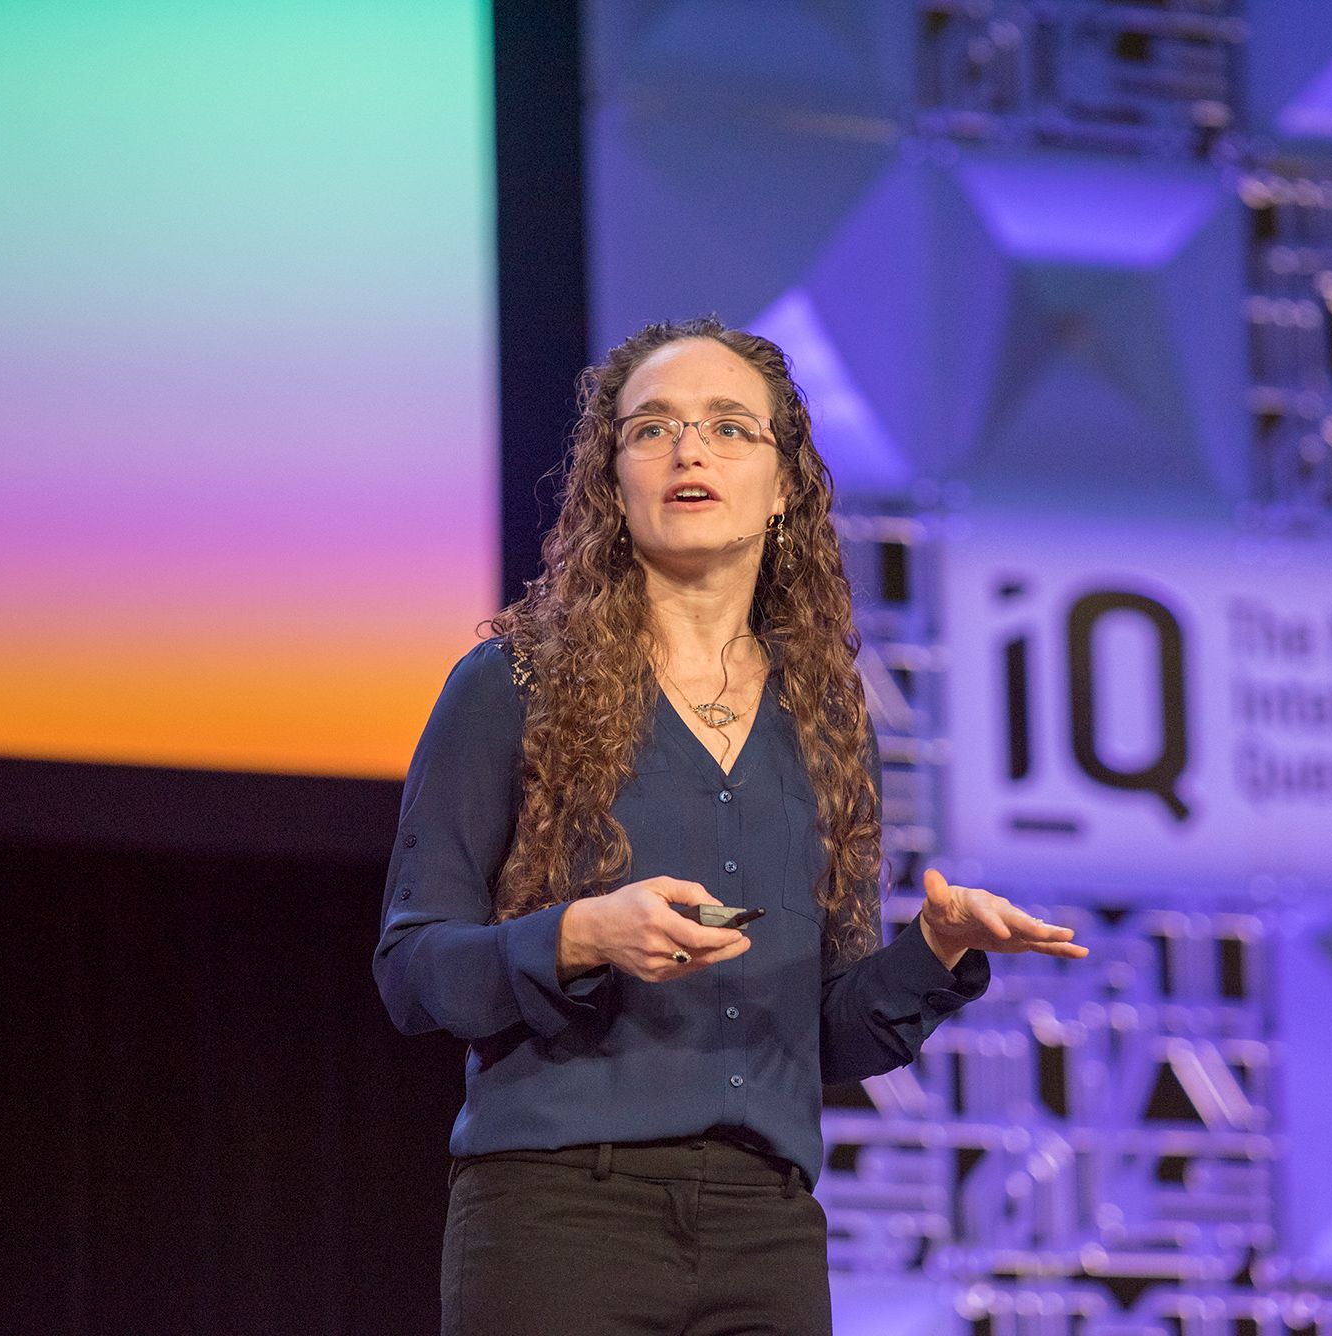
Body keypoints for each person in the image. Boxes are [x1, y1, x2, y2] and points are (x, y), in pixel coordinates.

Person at [373, 317, 1087, 1336]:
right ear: (612, 483)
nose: (688, 450)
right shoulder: (511, 686)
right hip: (562, 1215)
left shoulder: (828, 722)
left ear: (785, 482)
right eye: (650, 429)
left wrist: (936, 949)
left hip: (767, 1230)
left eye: (726, 428)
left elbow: (826, 1028)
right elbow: (413, 970)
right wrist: (581, 935)